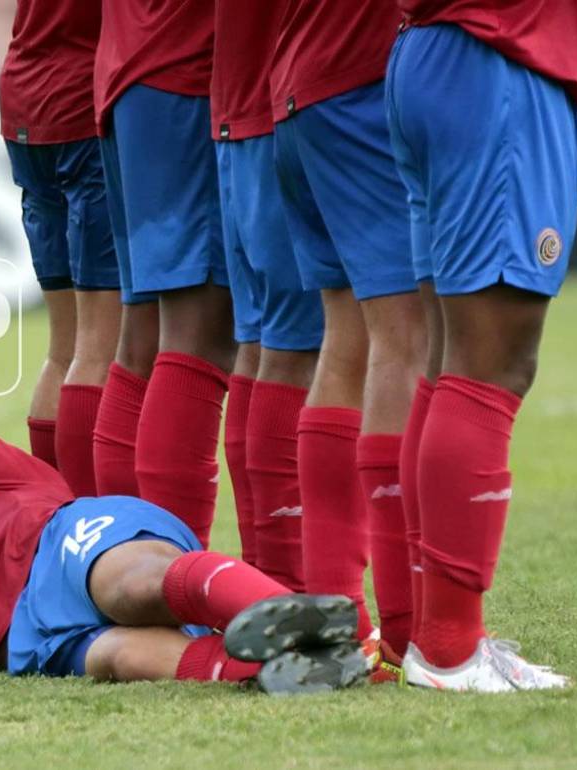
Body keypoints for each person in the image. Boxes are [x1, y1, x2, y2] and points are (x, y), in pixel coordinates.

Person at [0, 398, 368, 694]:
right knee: (122, 656)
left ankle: (281, 611)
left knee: (129, 588)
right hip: (41, 644)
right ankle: (301, 666)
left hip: (67, 548)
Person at [385, 0, 577, 692]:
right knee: (489, 367)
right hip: (495, 53)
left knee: (446, 363)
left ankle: (442, 635)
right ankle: (447, 649)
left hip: (439, 55)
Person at [269, 0, 427, 670]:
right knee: (405, 341)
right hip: (356, 85)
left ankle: (339, 617)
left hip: (295, 93)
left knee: (344, 342)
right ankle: (407, 627)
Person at [90, 0, 235, 547]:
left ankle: (126, 565)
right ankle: (171, 580)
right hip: (182, 69)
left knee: (144, 338)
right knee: (198, 338)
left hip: (135, 69)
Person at [210, 0, 324, 588]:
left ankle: (267, 580)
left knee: (259, 343)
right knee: (296, 347)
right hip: (277, 105)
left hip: (242, 112)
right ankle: (294, 587)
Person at [0, 0, 122, 497]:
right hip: (79, 105)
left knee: (65, 347)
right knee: (102, 347)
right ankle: (89, 522)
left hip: (24, 102)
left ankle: (53, 512)